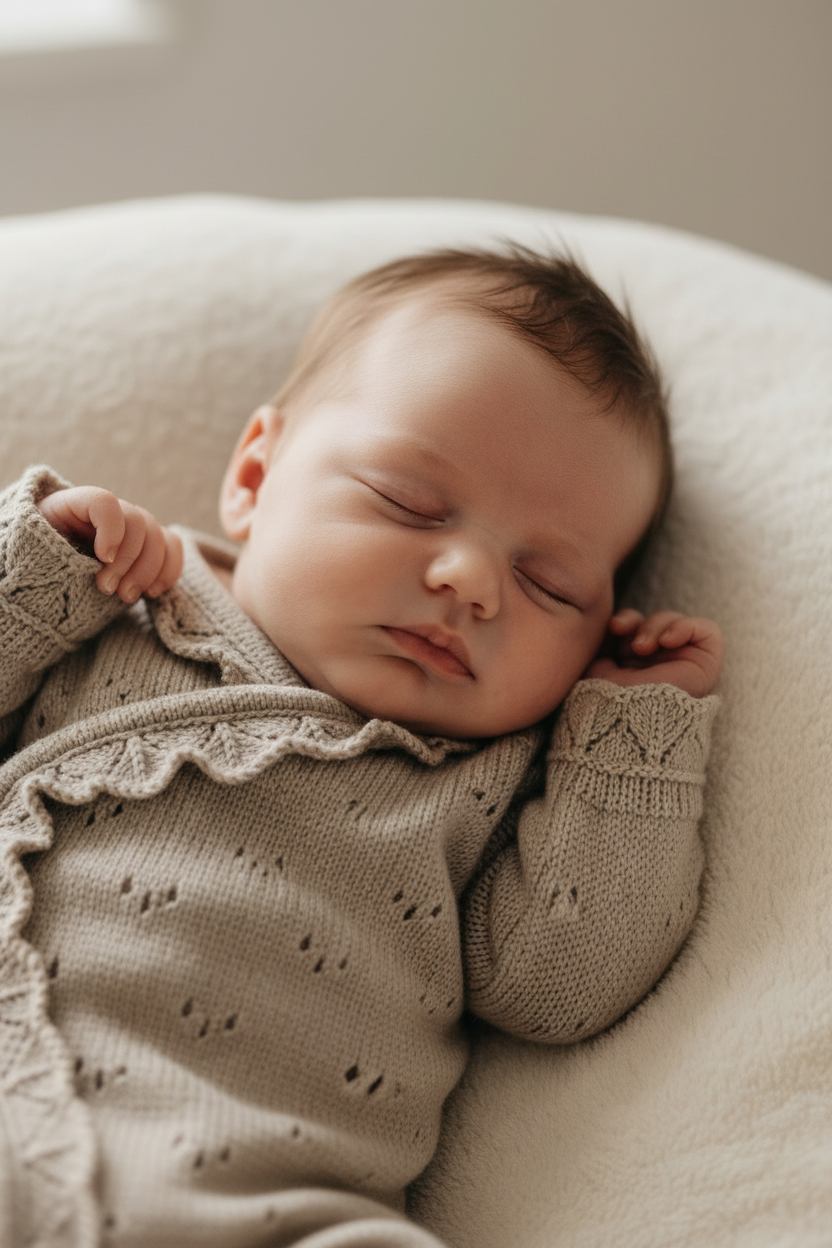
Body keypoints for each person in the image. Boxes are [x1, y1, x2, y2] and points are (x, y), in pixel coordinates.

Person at [0, 247, 722, 1248]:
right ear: (255, 476)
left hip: (274, 1205)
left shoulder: (498, 778)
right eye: (408, 503)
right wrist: (34, 571)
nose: (470, 578)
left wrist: (632, 742)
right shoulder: (124, 602)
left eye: (549, 584)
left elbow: (557, 987)